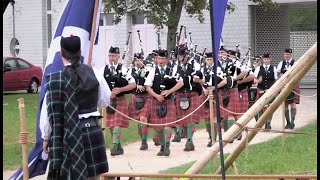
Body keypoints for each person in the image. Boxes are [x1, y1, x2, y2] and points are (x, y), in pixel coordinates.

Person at [41, 35, 111, 179]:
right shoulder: (95, 73)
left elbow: (49, 114)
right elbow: (105, 101)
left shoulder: (54, 79)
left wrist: (46, 137)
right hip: (90, 130)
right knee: (93, 177)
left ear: (61, 53)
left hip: (64, 134)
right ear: (80, 52)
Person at [144, 49, 184, 156]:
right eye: (159, 58)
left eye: (162, 58)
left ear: (166, 59)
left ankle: (167, 146)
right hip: (156, 101)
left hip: (169, 100)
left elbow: (180, 83)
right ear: (156, 59)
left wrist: (169, 91)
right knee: (158, 127)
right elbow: (147, 86)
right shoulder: (153, 71)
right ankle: (162, 146)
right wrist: (156, 96)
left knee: (167, 126)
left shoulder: (172, 70)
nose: (160, 61)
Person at [103, 46, 136, 156]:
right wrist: (107, 93)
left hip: (120, 99)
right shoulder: (104, 69)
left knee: (117, 124)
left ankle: (114, 146)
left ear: (118, 57)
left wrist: (120, 89)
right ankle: (119, 146)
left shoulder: (123, 70)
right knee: (111, 126)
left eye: (113, 56)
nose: (111, 58)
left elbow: (133, 84)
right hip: (109, 101)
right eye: (110, 55)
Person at [175, 47, 204, 151]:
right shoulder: (176, 66)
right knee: (182, 119)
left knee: (191, 119)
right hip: (179, 94)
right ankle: (185, 136)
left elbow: (200, 76)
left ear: (186, 55)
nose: (179, 58)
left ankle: (190, 141)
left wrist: (197, 78)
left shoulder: (194, 64)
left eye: (181, 55)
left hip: (192, 93)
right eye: (178, 56)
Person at [200, 52, 227, 147]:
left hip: (215, 94)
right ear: (205, 60)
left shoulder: (218, 69)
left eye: (211, 59)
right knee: (207, 118)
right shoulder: (202, 69)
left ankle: (215, 139)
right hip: (205, 94)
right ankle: (211, 137)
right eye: (207, 59)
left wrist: (214, 88)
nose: (209, 61)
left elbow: (224, 81)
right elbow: (199, 81)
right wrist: (203, 89)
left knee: (215, 117)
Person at [127, 53, 152, 150]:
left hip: (146, 96)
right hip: (135, 96)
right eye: (136, 60)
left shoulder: (148, 69)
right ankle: (143, 138)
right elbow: (127, 82)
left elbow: (152, 80)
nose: (138, 61)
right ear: (134, 61)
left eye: (140, 59)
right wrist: (137, 86)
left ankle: (144, 141)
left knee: (143, 118)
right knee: (139, 120)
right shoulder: (130, 71)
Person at [276, 48, 300, 129]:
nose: (287, 56)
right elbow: (277, 74)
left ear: (291, 55)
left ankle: (292, 121)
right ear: (284, 55)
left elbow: (299, 72)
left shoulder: (295, 63)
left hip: (293, 84)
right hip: (284, 85)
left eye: (288, 54)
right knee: (285, 104)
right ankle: (288, 122)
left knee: (293, 103)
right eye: (285, 54)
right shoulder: (281, 63)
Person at [254, 52, 278, 129]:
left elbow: (275, 79)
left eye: (267, 59)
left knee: (268, 107)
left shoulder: (273, 68)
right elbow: (254, 78)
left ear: (270, 60)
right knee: (260, 107)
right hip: (260, 89)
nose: (266, 60)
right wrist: (257, 81)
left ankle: (268, 123)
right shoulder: (258, 68)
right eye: (265, 59)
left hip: (269, 91)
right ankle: (261, 122)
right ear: (263, 60)